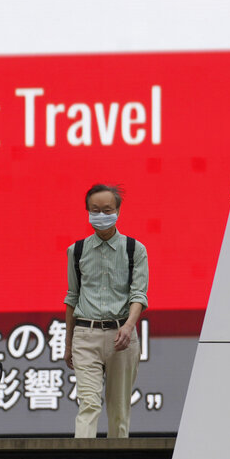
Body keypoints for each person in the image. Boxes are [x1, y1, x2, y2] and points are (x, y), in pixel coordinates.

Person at [64, 183, 148, 438]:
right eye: (95, 210)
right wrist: (68, 344)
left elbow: (138, 294)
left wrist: (129, 326)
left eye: (107, 209)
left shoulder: (135, 249)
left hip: (121, 335)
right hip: (85, 333)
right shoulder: (76, 250)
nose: (101, 215)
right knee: (88, 404)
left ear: (118, 211)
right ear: (87, 211)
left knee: (119, 409)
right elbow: (72, 297)